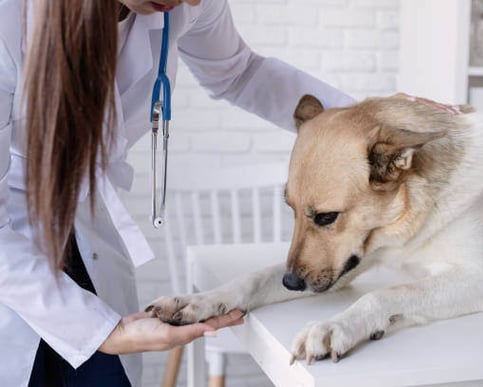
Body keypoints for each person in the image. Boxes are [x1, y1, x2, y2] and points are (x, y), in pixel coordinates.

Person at [0, 0, 358, 385]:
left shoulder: (188, 4)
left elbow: (240, 73)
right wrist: (107, 331)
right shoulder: (11, 17)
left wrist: (360, 122)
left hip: (85, 233)